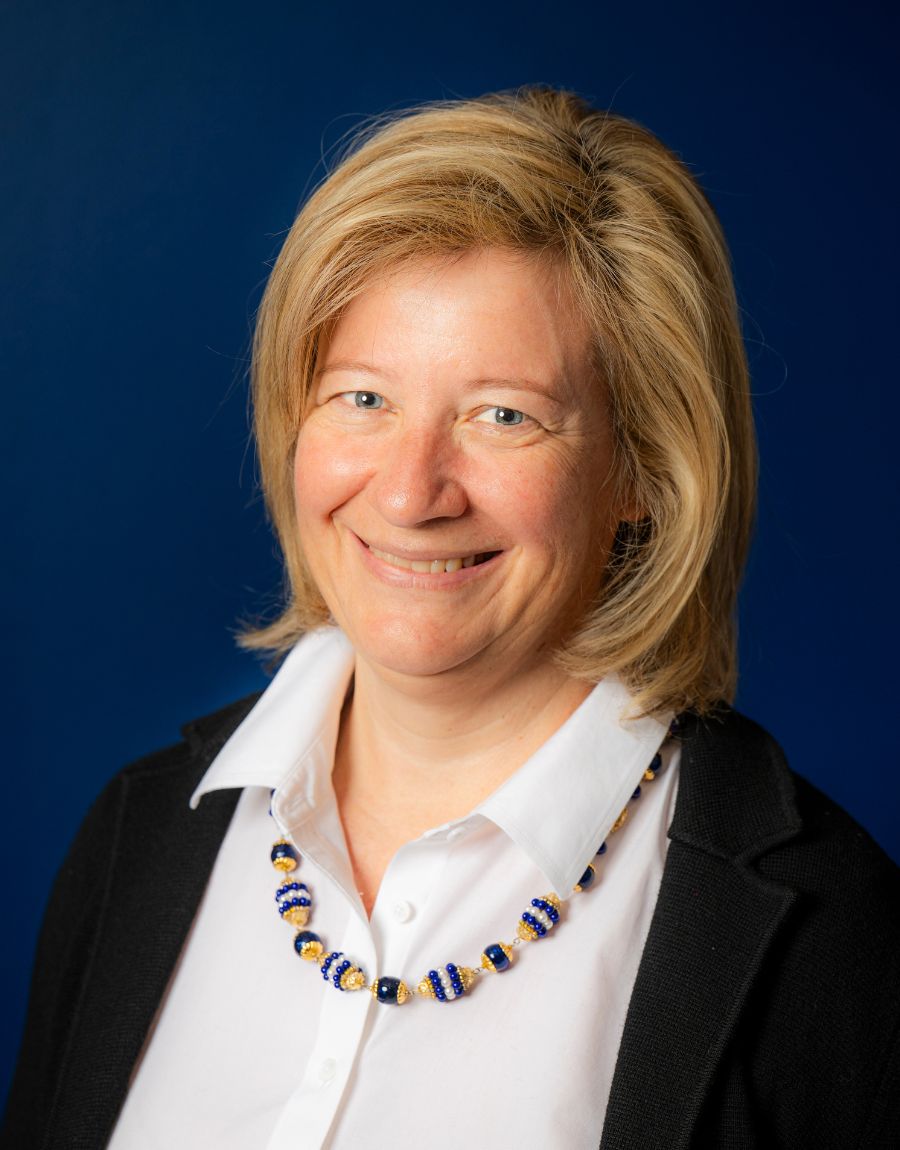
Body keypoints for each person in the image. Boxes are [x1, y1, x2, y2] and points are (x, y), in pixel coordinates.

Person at [3, 87, 898, 1150]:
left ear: (645, 469)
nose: (410, 490)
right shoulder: (138, 836)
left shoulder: (834, 936)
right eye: (363, 398)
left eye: (502, 415)